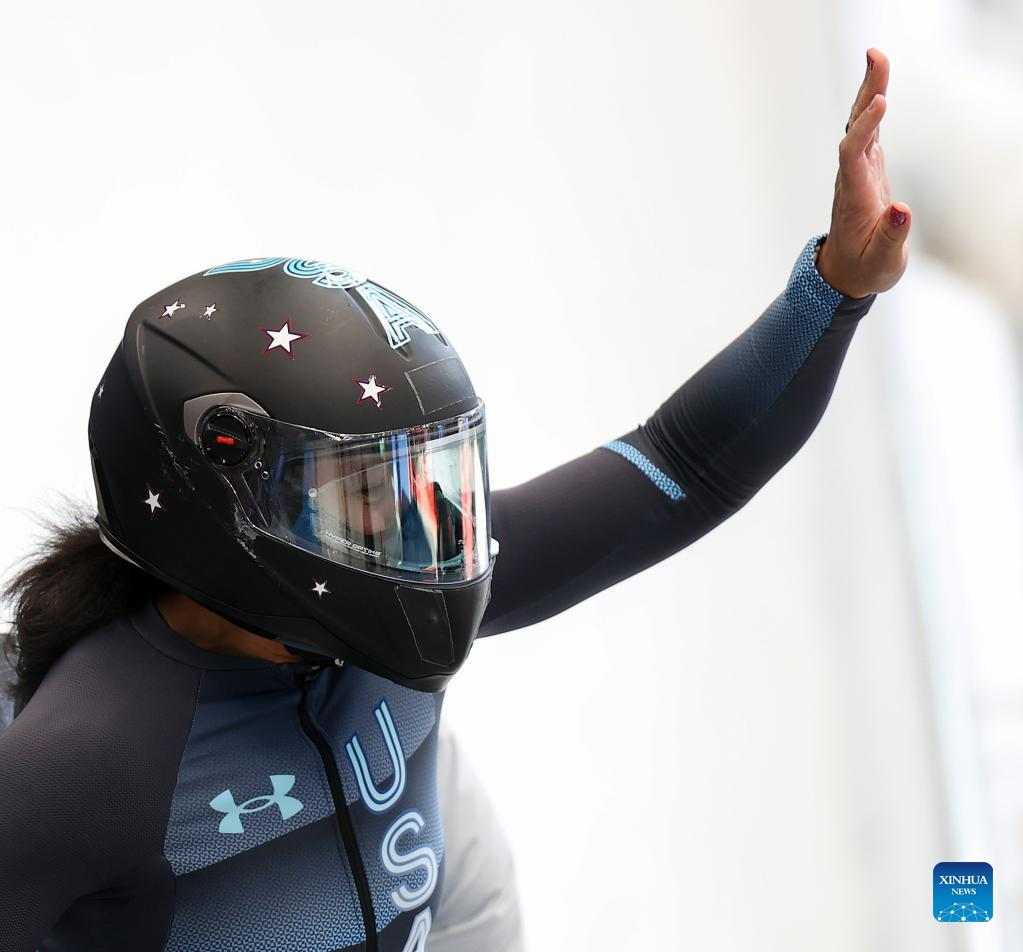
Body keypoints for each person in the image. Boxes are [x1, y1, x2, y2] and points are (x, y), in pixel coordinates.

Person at [0, 48, 909, 952]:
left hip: (456, 906)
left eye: (425, 474)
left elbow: (680, 465)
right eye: (366, 494)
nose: (424, 528)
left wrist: (833, 289)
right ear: (228, 498)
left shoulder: (382, 591)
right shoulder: (81, 765)